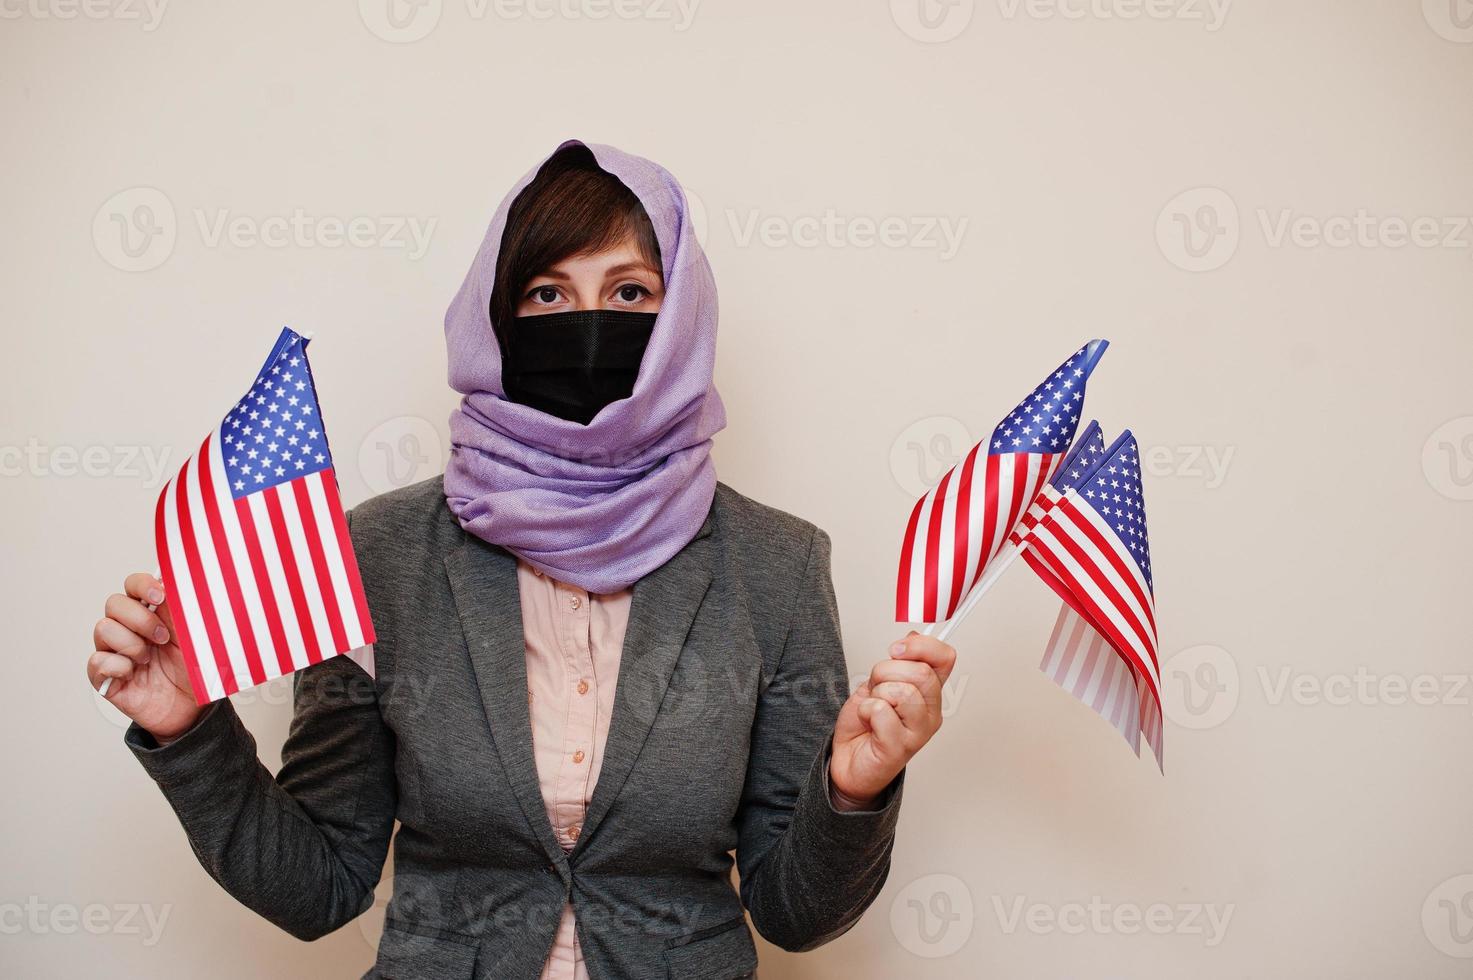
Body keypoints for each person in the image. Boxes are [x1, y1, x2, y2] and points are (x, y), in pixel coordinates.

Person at [87, 140, 957, 980]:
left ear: (682, 316)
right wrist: (186, 731)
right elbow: (320, 886)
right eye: (546, 293)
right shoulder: (380, 552)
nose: (587, 323)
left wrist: (853, 792)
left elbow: (794, 915)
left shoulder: (779, 564)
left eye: (630, 291)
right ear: (496, 317)